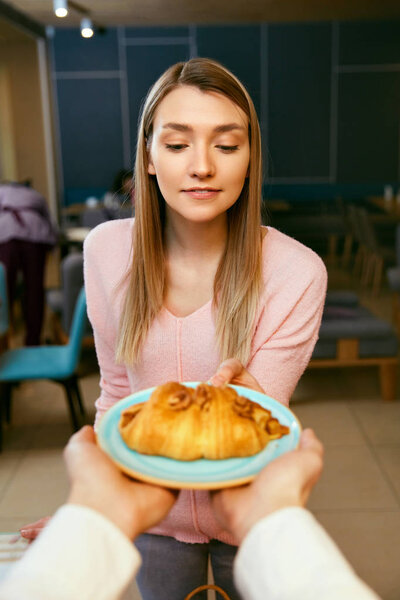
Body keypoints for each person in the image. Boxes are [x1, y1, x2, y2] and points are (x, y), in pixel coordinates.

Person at [21, 58, 327, 598]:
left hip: (248, 512)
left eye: (227, 146)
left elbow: (260, 423)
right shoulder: (107, 251)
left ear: (250, 158)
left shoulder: (296, 271)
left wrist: (254, 406)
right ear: (149, 156)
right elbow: (118, 394)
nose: (202, 166)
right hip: (152, 517)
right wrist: (92, 513)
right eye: (178, 143)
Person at [0, 426, 379, 600]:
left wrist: (90, 522)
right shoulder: (105, 264)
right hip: (160, 528)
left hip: (241, 506)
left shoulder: (299, 274)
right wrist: (91, 516)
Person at [0, 181, 58, 345]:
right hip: (36, 235)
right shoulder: (36, 196)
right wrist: (53, 245)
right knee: (34, 289)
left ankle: (3, 341)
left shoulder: (2, 191)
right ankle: (33, 340)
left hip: (6, 235)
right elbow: (51, 223)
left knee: (4, 290)